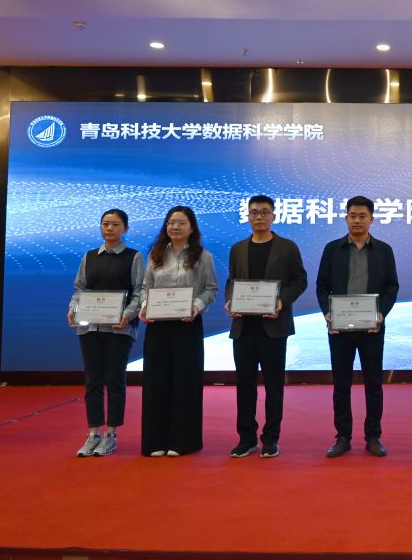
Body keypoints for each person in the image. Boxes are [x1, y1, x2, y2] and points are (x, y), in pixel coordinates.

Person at [316, 196, 399, 458]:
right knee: (341, 384)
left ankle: (373, 436)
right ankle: (343, 436)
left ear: (371, 219)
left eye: (362, 216)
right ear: (345, 218)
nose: (357, 220)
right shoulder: (332, 249)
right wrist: (328, 313)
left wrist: (381, 313)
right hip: (339, 329)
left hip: (372, 328)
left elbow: (392, 286)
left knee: (374, 383)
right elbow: (322, 285)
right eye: (352, 216)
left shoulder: (383, 250)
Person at [225, 195, 308, 459]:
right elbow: (232, 281)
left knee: (274, 385)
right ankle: (246, 438)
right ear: (248, 216)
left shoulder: (287, 247)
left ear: (273, 215)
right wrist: (230, 300)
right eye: (254, 212)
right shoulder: (238, 248)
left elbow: (300, 280)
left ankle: (271, 438)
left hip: (274, 327)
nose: (259, 217)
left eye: (264, 212)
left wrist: (282, 300)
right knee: (244, 385)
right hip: (244, 327)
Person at [138, 205, 218, 457]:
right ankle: (155, 441)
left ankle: (183, 441)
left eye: (181, 222)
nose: (175, 227)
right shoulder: (155, 255)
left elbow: (211, 289)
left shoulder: (203, 256)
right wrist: (144, 306)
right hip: (158, 326)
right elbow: (145, 287)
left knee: (186, 382)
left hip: (187, 325)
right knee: (156, 382)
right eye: (171, 222)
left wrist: (196, 306)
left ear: (192, 228)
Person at [68, 208, 145, 457]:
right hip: (89, 326)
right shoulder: (89, 256)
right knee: (92, 380)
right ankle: (93, 434)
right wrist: (73, 309)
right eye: (105, 224)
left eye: (115, 224)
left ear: (126, 229)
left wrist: (128, 315)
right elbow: (80, 288)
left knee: (114, 379)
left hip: (119, 328)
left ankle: (111, 434)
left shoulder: (133, 257)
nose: (109, 228)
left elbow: (140, 291)